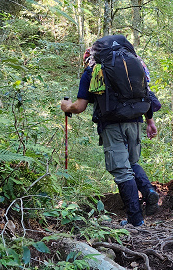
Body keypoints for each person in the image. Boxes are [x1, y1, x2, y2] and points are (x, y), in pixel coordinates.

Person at [61, 37, 161, 227]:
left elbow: (80, 106)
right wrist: (150, 121)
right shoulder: (135, 64)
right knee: (132, 163)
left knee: (122, 171)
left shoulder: (93, 71)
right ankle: (148, 192)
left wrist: (66, 107)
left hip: (112, 124)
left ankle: (136, 221)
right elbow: (146, 92)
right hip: (135, 121)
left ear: (91, 56)